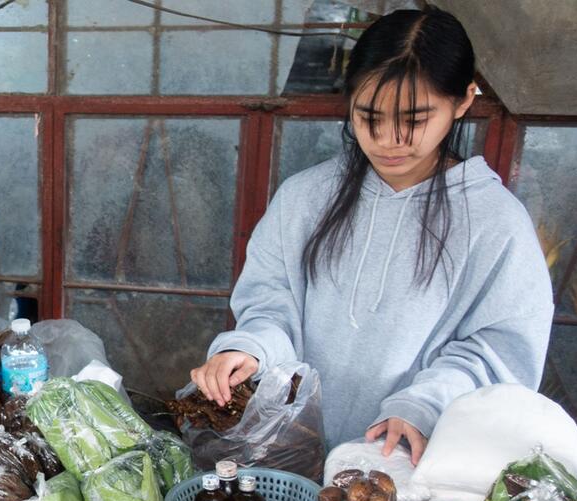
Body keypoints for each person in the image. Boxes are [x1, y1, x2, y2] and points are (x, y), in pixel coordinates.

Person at [191, 8, 553, 464]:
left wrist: (423, 405)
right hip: (285, 455)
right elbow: (270, 301)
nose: (389, 141)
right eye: (369, 117)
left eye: (415, 120)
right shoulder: (305, 197)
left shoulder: (495, 220)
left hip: (407, 463)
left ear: (462, 101)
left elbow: (500, 349)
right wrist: (251, 349)